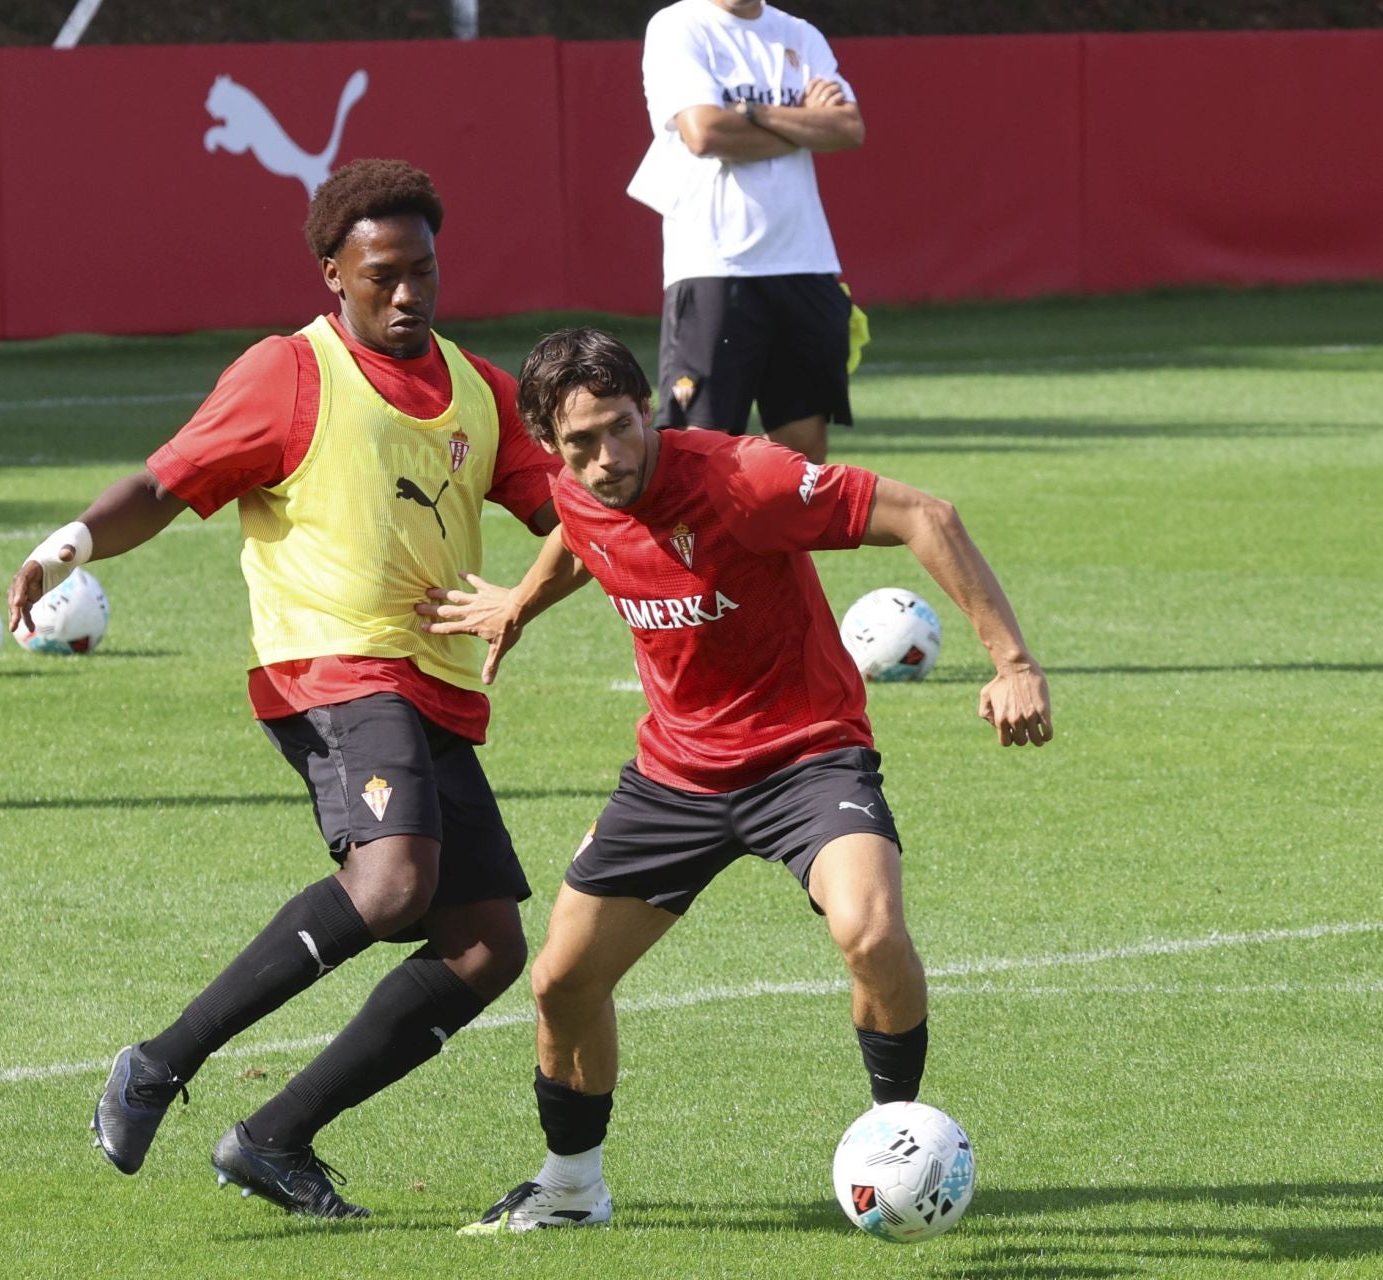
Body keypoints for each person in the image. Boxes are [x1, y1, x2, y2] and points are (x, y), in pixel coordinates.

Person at [8, 158, 562, 1220]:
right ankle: (157, 1065)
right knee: (395, 881)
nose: (409, 294)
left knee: (486, 944)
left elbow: (567, 509)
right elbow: (164, 484)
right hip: (330, 666)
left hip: (435, 686)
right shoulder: (289, 374)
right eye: (383, 274)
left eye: (425, 271)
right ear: (333, 276)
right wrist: (66, 544)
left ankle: (273, 1137)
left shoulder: (479, 389)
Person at [417, 328, 1051, 1232]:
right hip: (675, 776)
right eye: (581, 444)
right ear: (553, 448)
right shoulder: (580, 485)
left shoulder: (742, 479)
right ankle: (569, 1189)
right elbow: (578, 533)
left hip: (806, 755)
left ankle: (895, 1136)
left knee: (869, 933)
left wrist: (1013, 661)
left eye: (622, 429)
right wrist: (519, 601)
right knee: (561, 982)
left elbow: (926, 514)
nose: (607, 459)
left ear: (649, 411)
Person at [628, 0, 866, 463]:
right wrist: (803, 125)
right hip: (714, 264)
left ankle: (789, 542)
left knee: (805, 457)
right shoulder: (679, 25)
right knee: (696, 450)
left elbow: (848, 127)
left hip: (805, 262)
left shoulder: (799, 34)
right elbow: (704, 133)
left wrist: (753, 112)